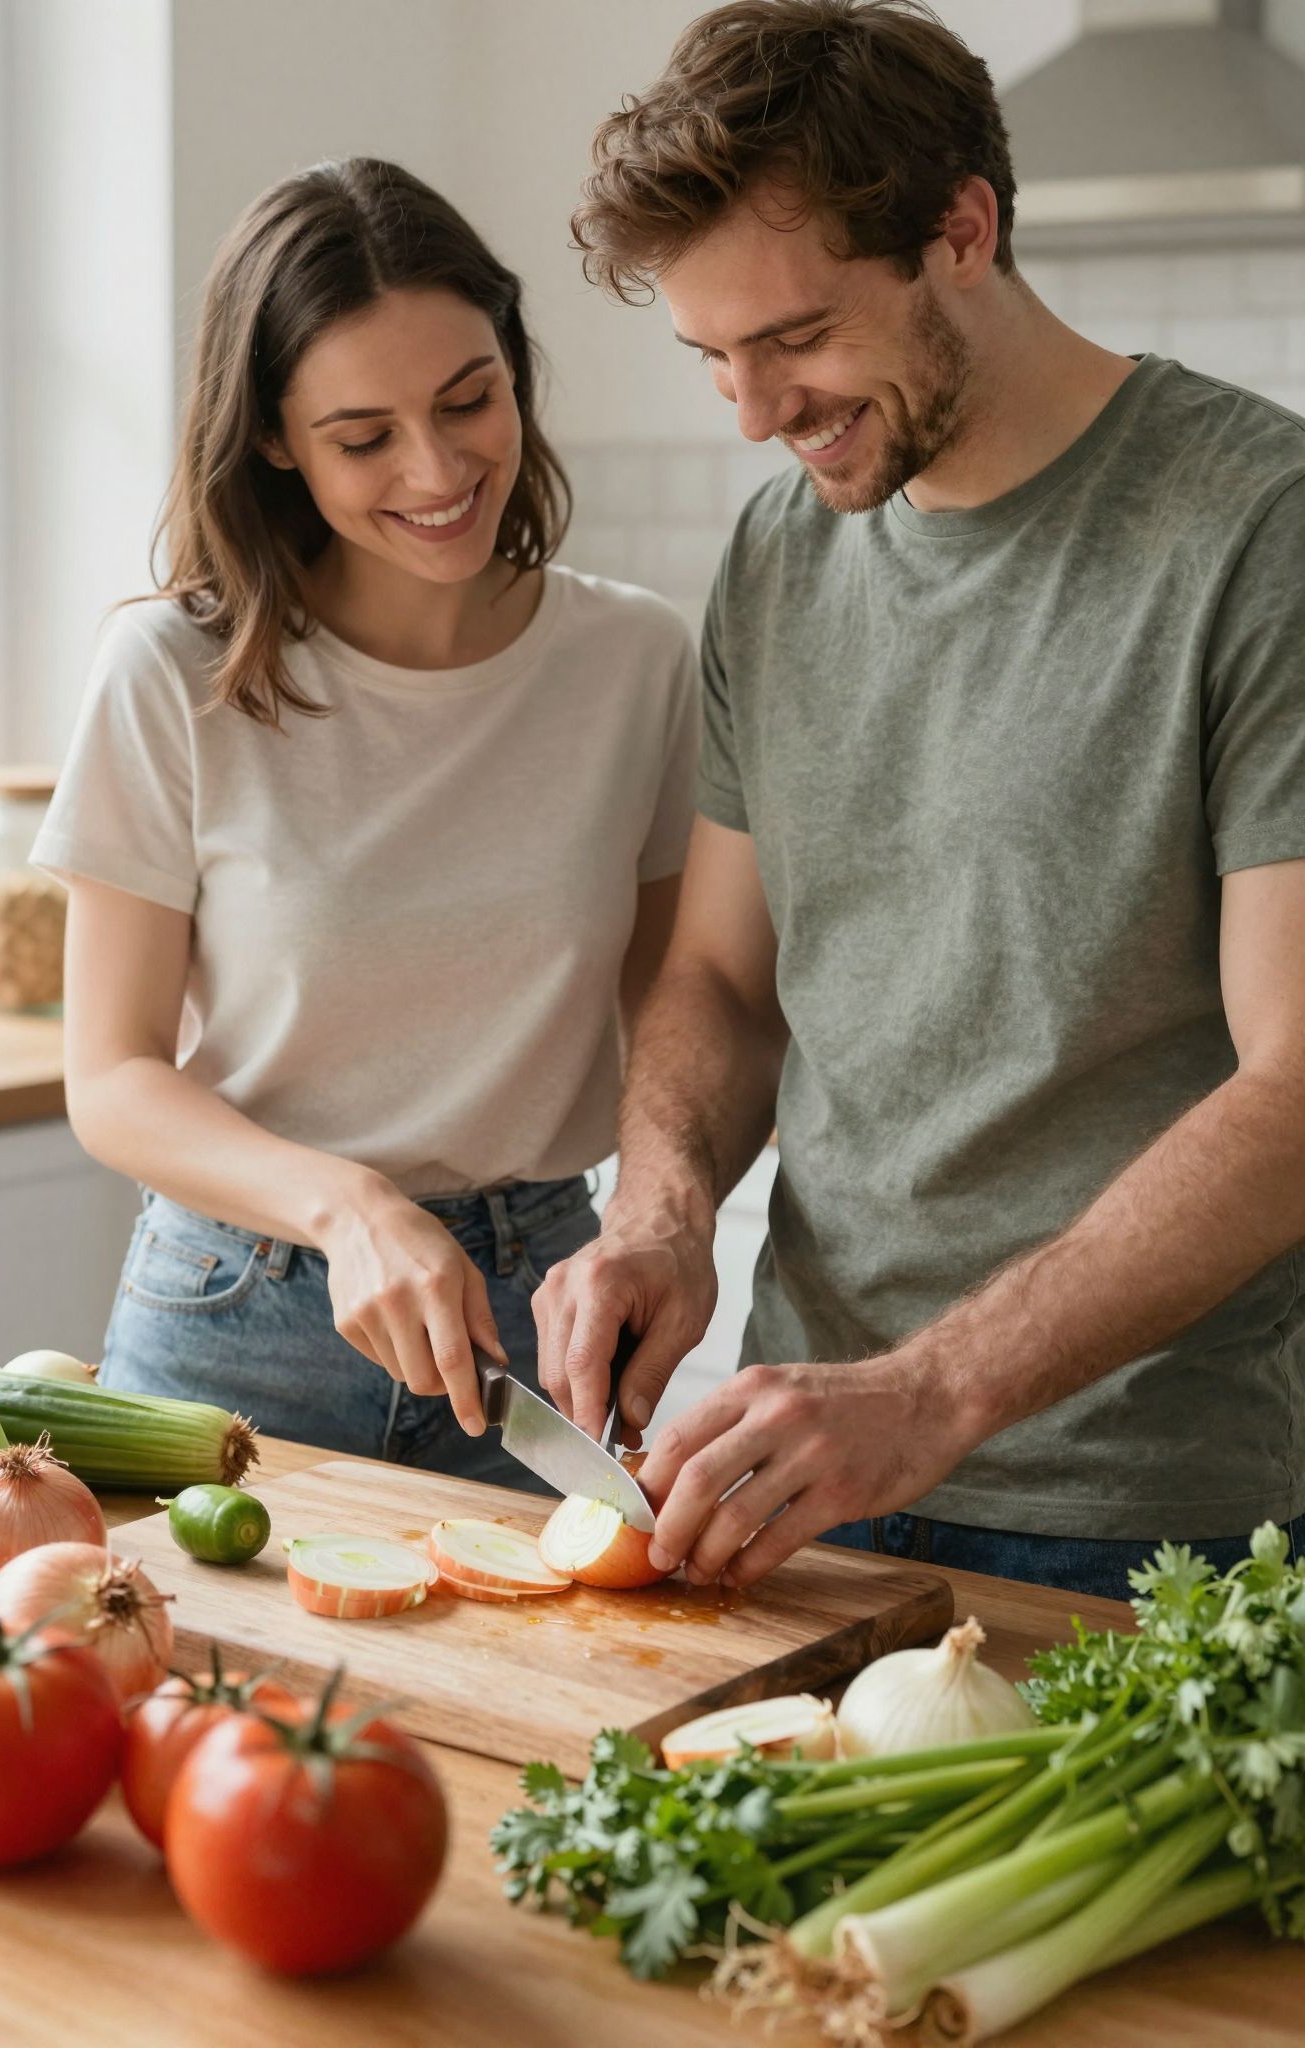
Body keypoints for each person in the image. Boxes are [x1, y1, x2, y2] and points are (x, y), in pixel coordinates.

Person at [534, 0, 1305, 1596]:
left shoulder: (1257, 534)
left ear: (964, 231)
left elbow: (1297, 1091)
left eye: (796, 340)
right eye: (713, 359)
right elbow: (722, 984)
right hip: (799, 1473)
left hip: (1140, 1518)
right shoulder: (780, 552)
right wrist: (665, 1211)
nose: (754, 413)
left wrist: (932, 1394)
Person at [33, 158, 699, 1490]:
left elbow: (682, 1012)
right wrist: (349, 1207)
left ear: (516, 366)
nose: (440, 469)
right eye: (364, 437)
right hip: (238, 1316)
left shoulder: (637, 661)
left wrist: (661, 1221)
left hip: (534, 1327)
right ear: (275, 436)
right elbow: (109, 1078)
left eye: (471, 401)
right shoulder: (175, 671)